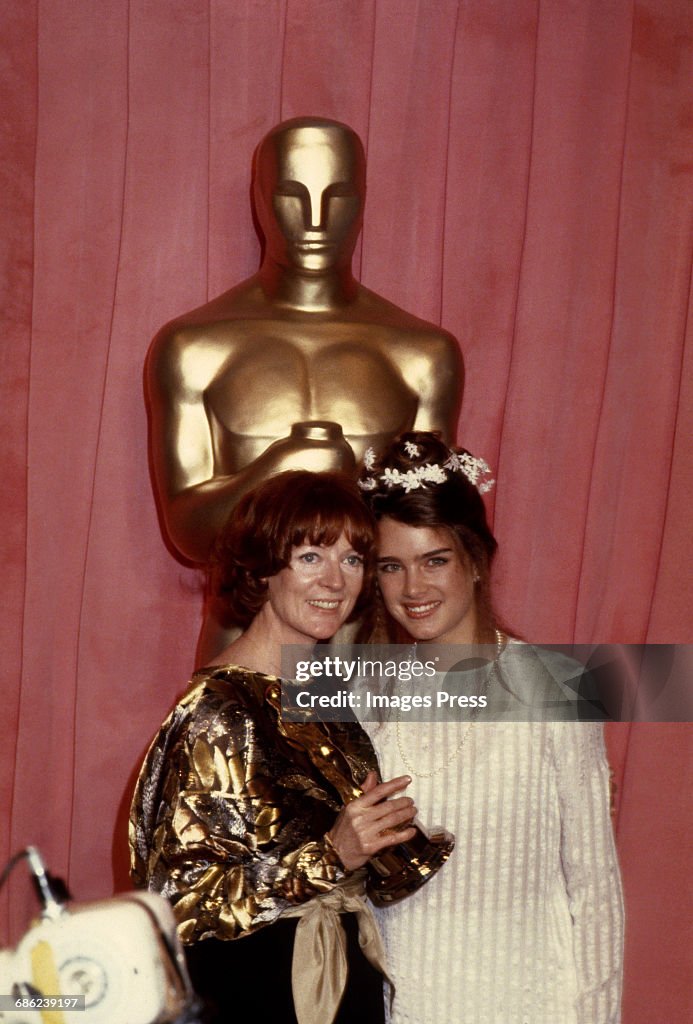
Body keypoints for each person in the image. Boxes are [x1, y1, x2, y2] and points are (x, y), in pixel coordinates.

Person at [145, 116, 462, 662]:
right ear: (260, 200)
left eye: (337, 198)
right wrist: (288, 466)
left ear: (362, 202)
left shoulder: (422, 355)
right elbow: (189, 534)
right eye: (293, 195)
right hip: (246, 658)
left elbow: (425, 532)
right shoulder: (194, 346)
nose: (315, 221)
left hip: (371, 664)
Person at [129, 471, 417, 1024]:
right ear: (264, 568)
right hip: (259, 993)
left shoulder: (317, 687)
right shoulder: (218, 708)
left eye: (353, 560)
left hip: (339, 975)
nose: (335, 580)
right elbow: (180, 905)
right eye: (311, 556)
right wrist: (330, 855)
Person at [357, 432, 624, 1024]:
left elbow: (595, 888)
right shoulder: (361, 698)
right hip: (408, 1008)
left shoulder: (557, 687)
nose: (413, 589)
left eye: (435, 560)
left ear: (475, 560)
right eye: (391, 567)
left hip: (535, 1004)